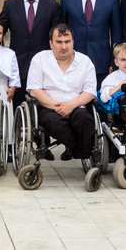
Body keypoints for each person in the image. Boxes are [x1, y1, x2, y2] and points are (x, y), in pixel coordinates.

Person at [27, 23, 97, 161]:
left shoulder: (85, 61)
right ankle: (83, 152)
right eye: (59, 42)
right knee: (56, 124)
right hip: (48, 108)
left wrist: (70, 106)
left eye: (67, 42)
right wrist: (59, 108)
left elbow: (90, 91)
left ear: (73, 42)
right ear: (51, 43)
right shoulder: (39, 59)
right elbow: (35, 90)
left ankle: (80, 151)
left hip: (77, 106)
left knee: (85, 119)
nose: (64, 46)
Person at [0, 0, 61, 107]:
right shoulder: (9, 5)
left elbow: (57, 36)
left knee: (43, 108)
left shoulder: (52, 6)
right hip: (18, 65)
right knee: (16, 106)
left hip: (44, 65)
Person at [60, 0, 122, 86]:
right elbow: (61, 32)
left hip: (102, 62)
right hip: (73, 61)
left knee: (100, 102)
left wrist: (114, 61)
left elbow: (116, 33)